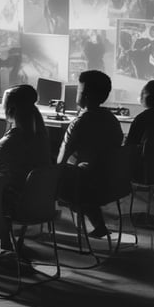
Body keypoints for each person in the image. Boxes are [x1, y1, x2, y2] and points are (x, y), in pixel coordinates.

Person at [57, 70, 124, 238]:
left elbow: (60, 161)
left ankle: (36, 222)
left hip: (86, 186)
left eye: (78, 91)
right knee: (81, 172)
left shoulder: (79, 123)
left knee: (44, 173)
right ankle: (98, 226)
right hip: (110, 182)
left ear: (84, 95)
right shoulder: (112, 119)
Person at [0, 85, 51, 218]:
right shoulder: (42, 137)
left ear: (10, 110)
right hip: (43, 203)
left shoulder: (7, 142)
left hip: (17, 205)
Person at [124, 80, 154, 183]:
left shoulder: (142, 119)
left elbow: (130, 147)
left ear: (147, 95)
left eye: (143, 92)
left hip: (142, 171)